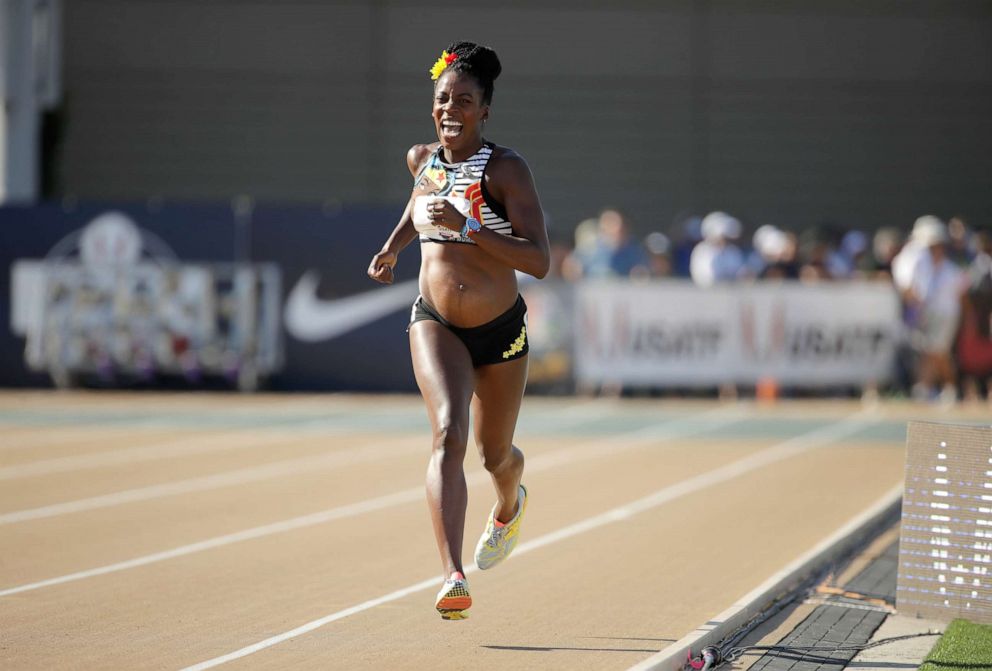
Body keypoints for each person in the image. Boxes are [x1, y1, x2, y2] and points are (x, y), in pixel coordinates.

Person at [367, 42, 550, 621]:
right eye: (442, 98)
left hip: (500, 331)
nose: (451, 108)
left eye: (464, 100)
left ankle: (509, 502)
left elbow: (538, 259)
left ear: (484, 111)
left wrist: (469, 226)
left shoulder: (505, 169)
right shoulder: (421, 159)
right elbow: (416, 203)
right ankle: (452, 576)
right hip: (436, 321)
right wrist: (393, 248)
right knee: (448, 432)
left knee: (495, 454)